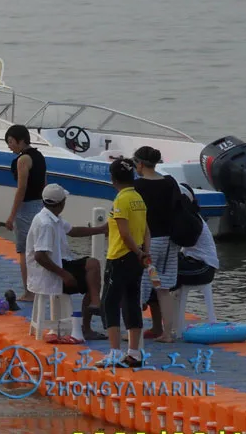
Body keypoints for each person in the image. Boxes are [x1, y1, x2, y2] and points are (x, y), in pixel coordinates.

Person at [25, 183, 107, 340]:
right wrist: (64, 275)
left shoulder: (49, 217)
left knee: (92, 265)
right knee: (93, 278)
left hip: (58, 264)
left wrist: (100, 229)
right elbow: (40, 256)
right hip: (50, 274)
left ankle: (95, 303)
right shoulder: (46, 224)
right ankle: (89, 322)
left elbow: (73, 231)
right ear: (61, 203)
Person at [97, 158, 150, 368]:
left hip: (119, 257)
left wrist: (137, 251)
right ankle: (134, 353)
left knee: (109, 303)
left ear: (112, 179)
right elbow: (146, 229)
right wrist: (145, 253)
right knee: (131, 302)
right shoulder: (138, 198)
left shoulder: (121, 200)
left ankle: (114, 353)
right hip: (136, 259)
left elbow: (124, 233)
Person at [132, 146, 180, 341]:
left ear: (140, 164)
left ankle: (133, 332)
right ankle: (167, 333)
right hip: (170, 244)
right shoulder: (169, 182)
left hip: (149, 244)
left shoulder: (138, 187)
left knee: (138, 288)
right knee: (163, 289)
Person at [4, 124, 47, 301]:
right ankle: (42, 287)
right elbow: (44, 183)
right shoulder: (40, 156)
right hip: (40, 206)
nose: (9, 146)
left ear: (21, 140)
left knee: (24, 251)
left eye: (11, 142)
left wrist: (11, 216)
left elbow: (21, 189)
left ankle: (29, 291)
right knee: (40, 249)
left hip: (27, 208)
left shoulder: (23, 160)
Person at [169, 186, 218, 335]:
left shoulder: (189, 220)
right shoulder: (189, 216)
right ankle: (164, 322)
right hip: (194, 263)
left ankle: (162, 325)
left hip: (203, 267)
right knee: (161, 269)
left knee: (164, 269)